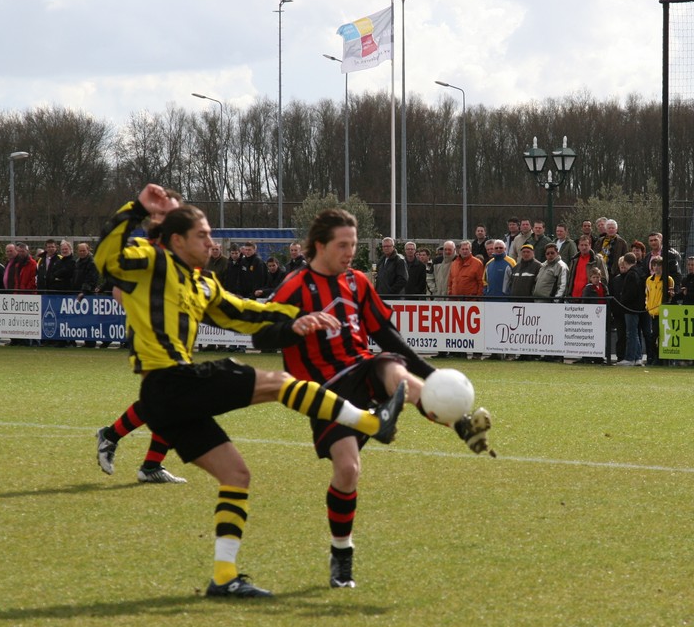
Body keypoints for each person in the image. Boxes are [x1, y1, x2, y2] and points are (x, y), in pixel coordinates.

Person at [94, 184, 407, 598]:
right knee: (280, 383)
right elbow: (106, 257)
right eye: (202, 235)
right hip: (169, 380)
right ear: (176, 241)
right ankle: (370, 422)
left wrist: (296, 318)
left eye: (210, 235)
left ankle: (224, 577)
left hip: (167, 399)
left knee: (236, 475)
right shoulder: (152, 262)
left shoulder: (203, 284)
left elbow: (245, 312)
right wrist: (136, 208)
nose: (211, 243)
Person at [252, 208, 494, 589]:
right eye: (342, 245)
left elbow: (386, 335)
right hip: (324, 391)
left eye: (353, 243)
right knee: (348, 471)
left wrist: (432, 374)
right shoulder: (294, 286)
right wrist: (294, 327)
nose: (350, 251)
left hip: (363, 368)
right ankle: (341, 553)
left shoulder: (358, 281)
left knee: (395, 372)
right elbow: (260, 337)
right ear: (319, 245)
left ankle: (459, 424)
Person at [616, 253, 646, 366]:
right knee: (635, 333)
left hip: (630, 308)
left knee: (631, 333)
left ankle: (630, 358)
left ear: (625, 262)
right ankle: (638, 357)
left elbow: (630, 293)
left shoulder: (631, 274)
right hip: (639, 307)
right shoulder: (640, 272)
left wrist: (622, 300)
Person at [645, 257, 674, 366]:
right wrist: (647, 306)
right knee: (653, 337)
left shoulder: (668, 279)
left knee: (657, 336)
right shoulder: (649, 280)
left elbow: (671, 294)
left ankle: (659, 358)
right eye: (654, 265)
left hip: (663, 312)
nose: (656, 268)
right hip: (652, 312)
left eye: (658, 265)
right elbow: (647, 295)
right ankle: (656, 357)